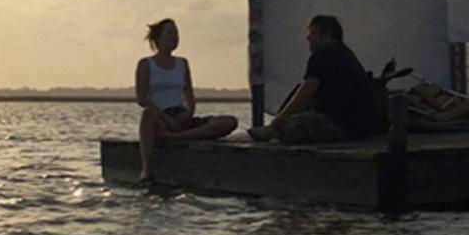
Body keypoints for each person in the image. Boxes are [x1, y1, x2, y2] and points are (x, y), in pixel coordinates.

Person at [247, 15, 379, 144]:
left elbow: (307, 90)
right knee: (298, 98)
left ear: (327, 34)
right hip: (360, 127)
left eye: (313, 33)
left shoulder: (323, 54)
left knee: (292, 129)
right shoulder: (345, 54)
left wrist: (276, 124)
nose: (308, 38)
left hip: (341, 126)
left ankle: (273, 130)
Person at [135, 19, 237, 181]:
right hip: (160, 117)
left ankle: (174, 137)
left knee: (229, 121)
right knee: (147, 114)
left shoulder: (182, 63)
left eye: (177, 34)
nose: (175, 37)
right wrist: (166, 119)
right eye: (170, 33)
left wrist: (188, 113)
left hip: (180, 115)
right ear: (158, 38)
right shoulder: (146, 64)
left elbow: (188, 94)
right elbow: (142, 98)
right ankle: (146, 169)